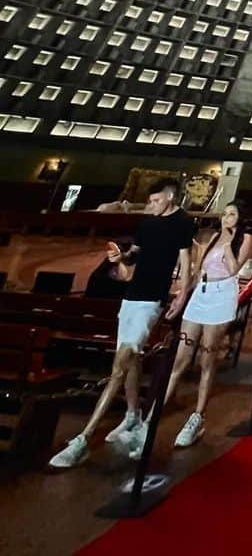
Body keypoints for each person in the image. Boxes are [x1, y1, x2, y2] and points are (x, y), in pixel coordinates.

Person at [49, 177, 195, 468]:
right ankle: (131, 415)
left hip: (151, 300)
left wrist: (180, 296)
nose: (151, 205)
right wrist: (120, 257)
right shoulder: (147, 223)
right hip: (131, 296)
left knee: (119, 366)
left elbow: (186, 261)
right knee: (131, 358)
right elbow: (134, 254)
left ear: (169, 197)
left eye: (155, 200)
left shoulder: (182, 222)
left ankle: (83, 439)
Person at [154, 202, 252, 450]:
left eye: (232, 214)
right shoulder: (212, 237)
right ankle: (153, 415)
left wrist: (227, 245)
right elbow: (198, 268)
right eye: (224, 213)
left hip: (222, 296)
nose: (226, 218)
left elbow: (234, 269)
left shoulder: (244, 240)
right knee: (181, 357)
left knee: (207, 357)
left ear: (240, 218)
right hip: (200, 294)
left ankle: (197, 416)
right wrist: (182, 297)